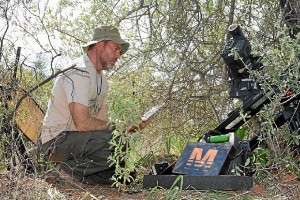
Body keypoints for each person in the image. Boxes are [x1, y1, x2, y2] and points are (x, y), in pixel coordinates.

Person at [41, 26, 139, 185]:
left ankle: (74, 174)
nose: (118, 55)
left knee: (125, 175)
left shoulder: (102, 80)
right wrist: (118, 128)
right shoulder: (78, 72)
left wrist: (126, 127)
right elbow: (83, 123)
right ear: (100, 45)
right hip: (57, 142)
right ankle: (63, 173)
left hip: (81, 143)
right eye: (115, 49)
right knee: (115, 142)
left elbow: (102, 123)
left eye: (119, 52)